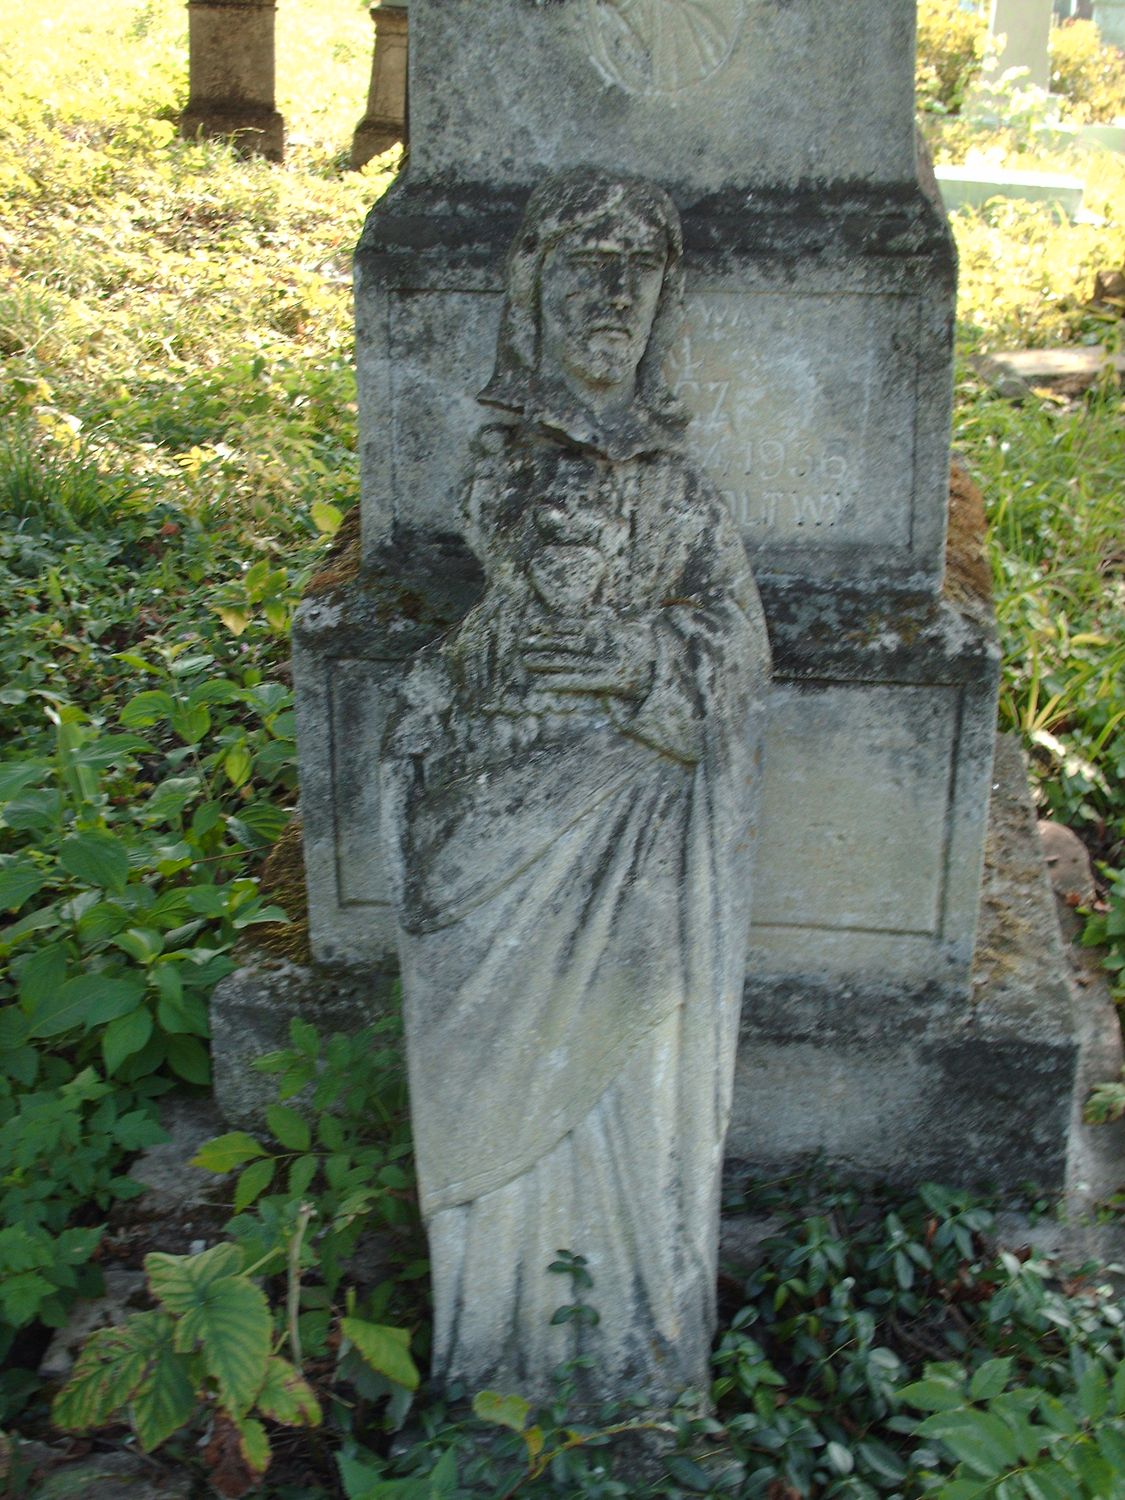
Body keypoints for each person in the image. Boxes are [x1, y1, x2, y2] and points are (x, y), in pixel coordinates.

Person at [380, 168, 770, 1407]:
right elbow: (455, 674)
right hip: (501, 845)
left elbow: (740, 657)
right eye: (584, 262)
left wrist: (651, 662)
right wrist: (446, 698)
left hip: (642, 845)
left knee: (637, 1075)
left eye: (638, 267)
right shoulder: (495, 478)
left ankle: (631, 1363)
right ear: (531, 288)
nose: (612, 291)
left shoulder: (688, 499)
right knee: (493, 1079)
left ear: (665, 299)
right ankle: (495, 1348)